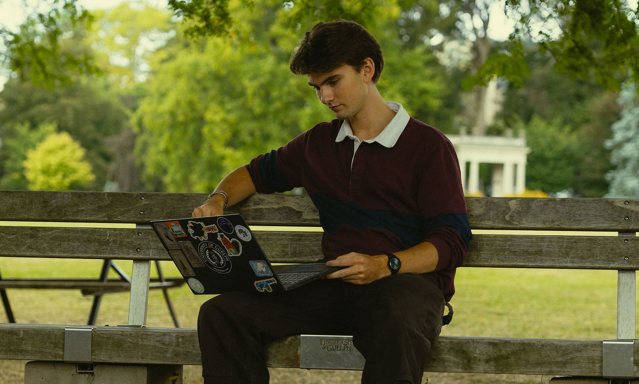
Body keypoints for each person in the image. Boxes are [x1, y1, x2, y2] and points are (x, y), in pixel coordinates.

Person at [192, 19, 472, 384]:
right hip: (333, 284)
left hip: (405, 287)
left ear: (366, 69)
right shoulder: (316, 145)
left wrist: (385, 264)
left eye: (333, 81)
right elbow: (254, 173)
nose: (324, 97)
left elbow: (452, 240)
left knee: (397, 320)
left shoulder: (428, 147)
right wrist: (218, 198)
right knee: (222, 314)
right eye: (316, 86)